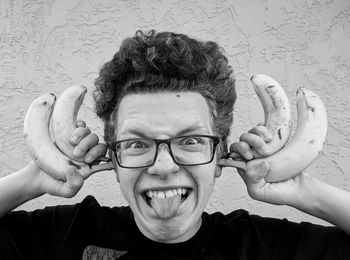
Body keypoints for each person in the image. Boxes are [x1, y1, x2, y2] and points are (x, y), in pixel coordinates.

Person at [0, 30, 350, 260]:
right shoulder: (65, 235)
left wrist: (300, 188)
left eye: (191, 140)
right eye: (137, 144)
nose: (164, 166)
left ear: (219, 155)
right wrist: (36, 178)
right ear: (113, 158)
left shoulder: (259, 247)